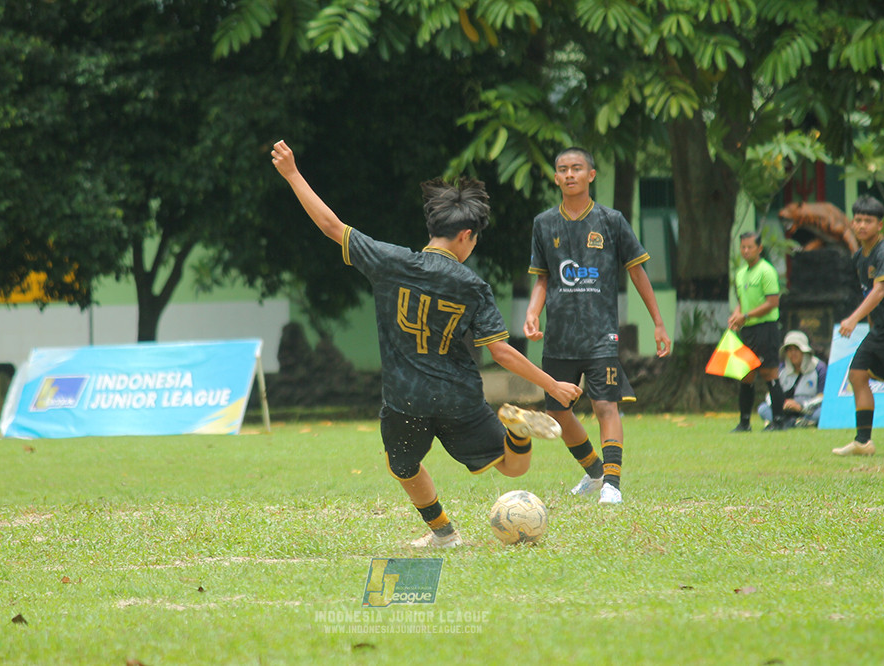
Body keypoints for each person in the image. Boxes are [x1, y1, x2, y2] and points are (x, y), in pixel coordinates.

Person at [270, 140, 583, 547]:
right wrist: (553, 386)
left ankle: (444, 534)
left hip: (405, 398)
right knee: (511, 468)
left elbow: (332, 225)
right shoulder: (473, 286)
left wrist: (293, 173)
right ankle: (518, 431)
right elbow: (502, 352)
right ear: (466, 236)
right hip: (459, 397)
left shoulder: (390, 261)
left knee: (402, 466)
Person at [523, 147, 671, 506]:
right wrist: (532, 311)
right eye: (562, 169)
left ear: (591, 175)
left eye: (577, 168)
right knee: (558, 411)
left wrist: (658, 323)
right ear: (556, 178)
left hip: (601, 334)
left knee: (606, 405)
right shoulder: (544, 223)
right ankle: (594, 472)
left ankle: (613, 485)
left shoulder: (611, 220)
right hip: (559, 336)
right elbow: (542, 278)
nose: (570, 174)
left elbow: (637, 271)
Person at [833, 195, 884, 457]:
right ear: (852, 222)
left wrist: (853, 320)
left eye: (868, 221)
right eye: (858, 220)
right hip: (879, 331)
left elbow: (880, 290)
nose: (862, 225)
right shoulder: (859, 257)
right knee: (858, 374)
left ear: (879, 225)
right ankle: (863, 442)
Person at [728, 231, 786, 432]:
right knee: (746, 374)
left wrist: (746, 316)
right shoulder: (740, 273)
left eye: (749, 247)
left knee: (769, 372)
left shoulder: (766, 271)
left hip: (766, 328)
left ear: (759, 248)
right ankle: (744, 423)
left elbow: (772, 302)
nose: (745, 251)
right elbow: (741, 303)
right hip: (748, 329)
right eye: (742, 247)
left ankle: (779, 421)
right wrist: (736, 316)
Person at [757, 330, 826, 428]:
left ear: (804, 351)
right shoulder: (781, 369)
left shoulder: (819, 368)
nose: (793, 353)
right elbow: (770, 394)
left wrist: (801, 407)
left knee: (822, 413)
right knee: (762, 409)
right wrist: (781, 404)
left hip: (809, 408)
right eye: (789, 350)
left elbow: (822, 396)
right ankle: (796, 423)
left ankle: (797, 422)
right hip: (785, 409)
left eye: (796, 349)